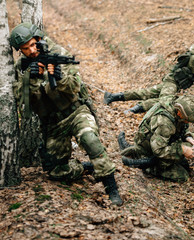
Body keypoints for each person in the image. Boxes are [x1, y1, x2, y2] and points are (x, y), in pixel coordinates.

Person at [10, 23, 123, 205]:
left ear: (38, 39)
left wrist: (59, 77)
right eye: (25, 48)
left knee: (89, 139)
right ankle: (85, 167)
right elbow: (24, 103)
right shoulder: (21, 68)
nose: (31, 50)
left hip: (76, 111)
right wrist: (30, 79)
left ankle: (111, 186)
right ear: (20, 51)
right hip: (53, 123)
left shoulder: (57, 54)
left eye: (33, 45)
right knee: (56, 171)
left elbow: (74, 87)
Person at [103, 33, 194, 113]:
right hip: (174, 81)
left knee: (147, 92)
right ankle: (136, 108)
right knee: (166, 101)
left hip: (173, 79)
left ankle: (113, 97)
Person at [119, 95, 194, 182]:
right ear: (179, 112)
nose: (188, 122)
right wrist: (182, 150)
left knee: (184, 163)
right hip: (152, 148)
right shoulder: (165, 122)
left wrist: (188, 137)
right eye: (187, 120)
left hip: (156, 140)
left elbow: (182, 126)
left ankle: (137, 152)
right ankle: (146, 164)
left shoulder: (175, 104)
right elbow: (158, 150)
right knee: (183, 175)